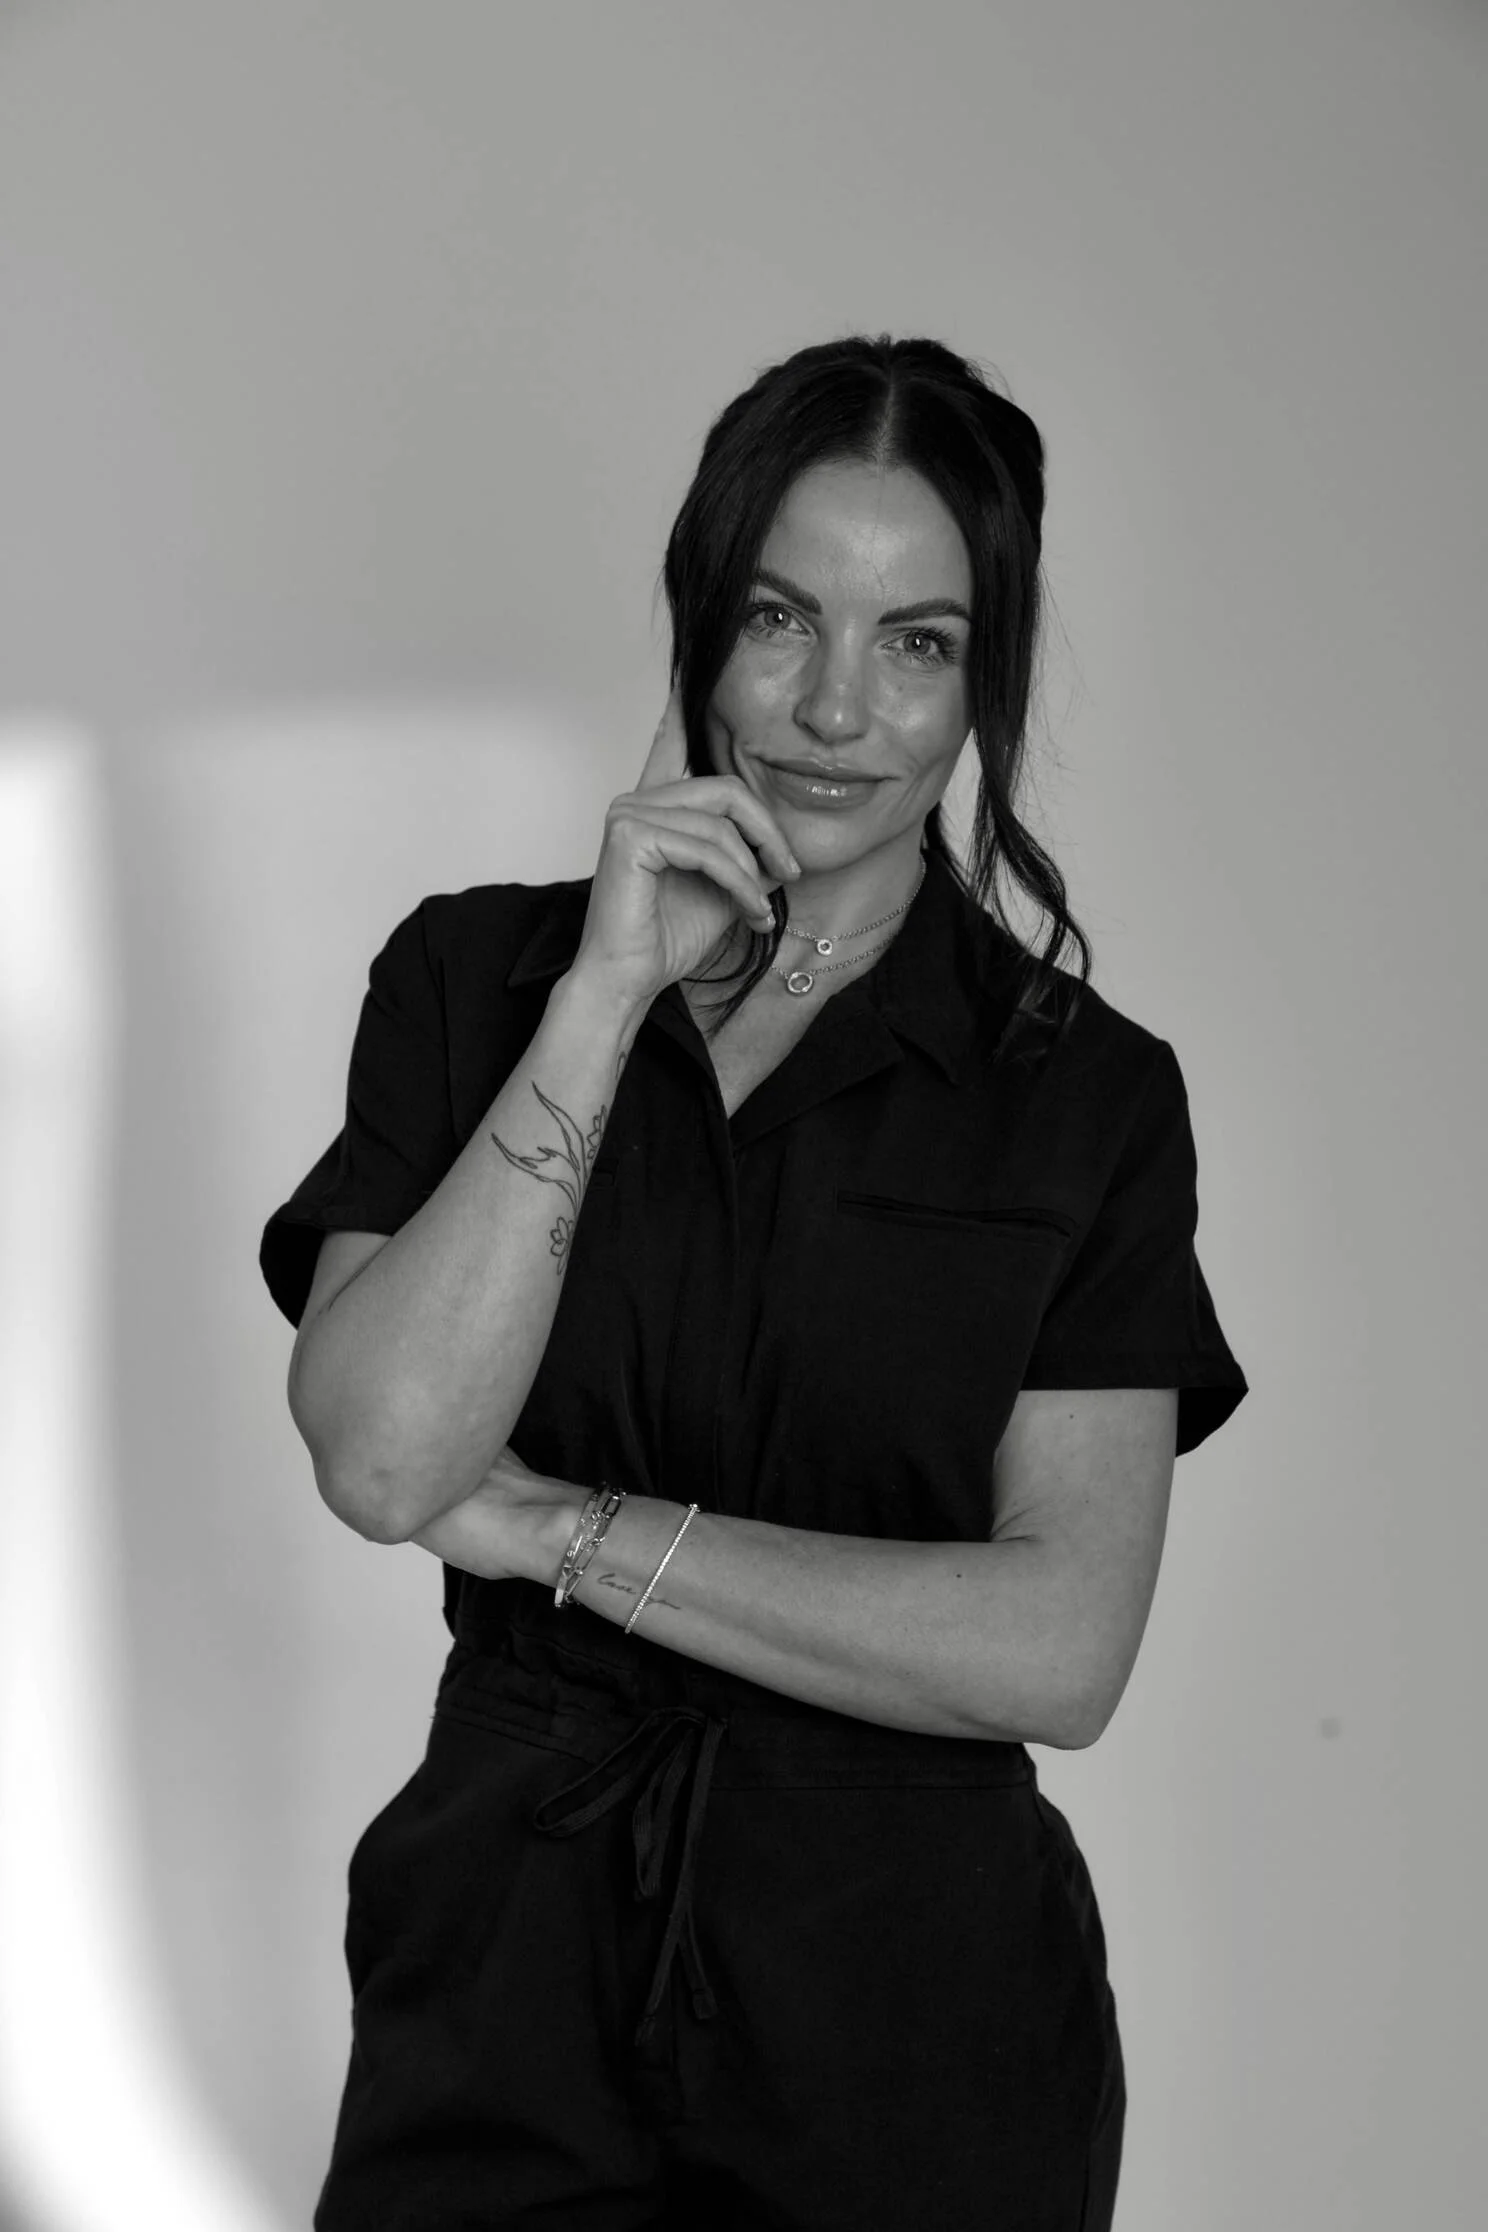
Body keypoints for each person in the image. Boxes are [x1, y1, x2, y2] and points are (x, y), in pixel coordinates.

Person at [260, 333, 1248, 2231]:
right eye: (784, 618)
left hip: (912, 2024)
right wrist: (608, 991)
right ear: (703, 624)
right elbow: (387, 1460)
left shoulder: (1086, 1100)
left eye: (919, 644)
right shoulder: (478, 984)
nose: (831, 710)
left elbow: (1061, 1648)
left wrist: (553, 1523)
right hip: (502, 1979)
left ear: (984, 685)